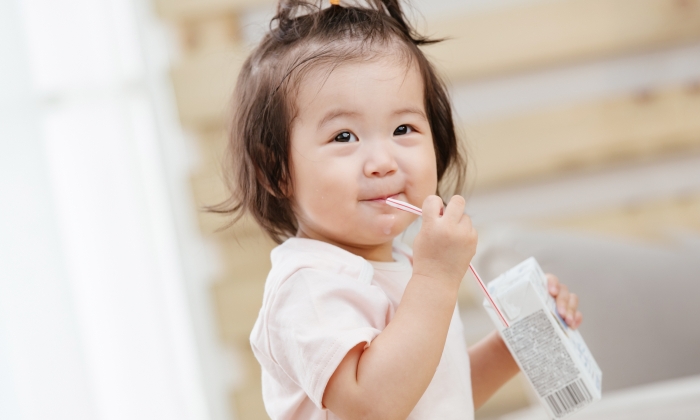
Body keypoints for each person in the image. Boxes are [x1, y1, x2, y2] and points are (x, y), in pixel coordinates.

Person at [213, 0, 583, 418]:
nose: (382, 161)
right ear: (276, 170)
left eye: (403, 129)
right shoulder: (308, 288)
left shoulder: (410, 267)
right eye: (344, 136)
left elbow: (432, 397)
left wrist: (514, 345)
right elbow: (373, 405)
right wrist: (438, 277)